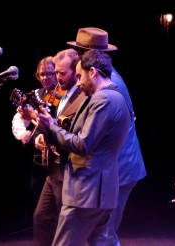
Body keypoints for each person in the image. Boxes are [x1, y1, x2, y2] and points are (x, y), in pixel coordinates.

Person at [35, 49, 131, 245]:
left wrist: (51, 129)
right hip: (101, 192)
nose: (78, 82)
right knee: (101, 242)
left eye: (80, 76)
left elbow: (83, 144)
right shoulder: (118, 97)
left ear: (93, 72)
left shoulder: (103, 99)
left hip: (86, 191)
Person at [66, 27, 147, 245]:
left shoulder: (106, 86)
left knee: (104, 235)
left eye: (78, 51)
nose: (75, 55)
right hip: (112, 169)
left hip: (118, 170)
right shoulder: (104, 79)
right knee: (99, 235)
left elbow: (89, 134)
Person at [32, 48, 86, 246]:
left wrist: (51, 131)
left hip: (68, 169)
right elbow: (57, 125)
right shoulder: (59, 95)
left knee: (66, 225)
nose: (57, 77)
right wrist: (42, 137)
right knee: (41, 219)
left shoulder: (82, 97)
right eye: (56, 72)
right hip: (53, 169)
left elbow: (78, 136)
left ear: (75, 71)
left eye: (62, 73)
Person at [11, 56, 59, 212]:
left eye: (49, 74)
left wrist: (32, 116)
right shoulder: (36, 94)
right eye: (41, 74)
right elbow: (19, 119)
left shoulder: (62, 94)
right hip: (39, 157)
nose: (45, 78)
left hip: (58, 154)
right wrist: (24, 134)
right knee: (37, 193)